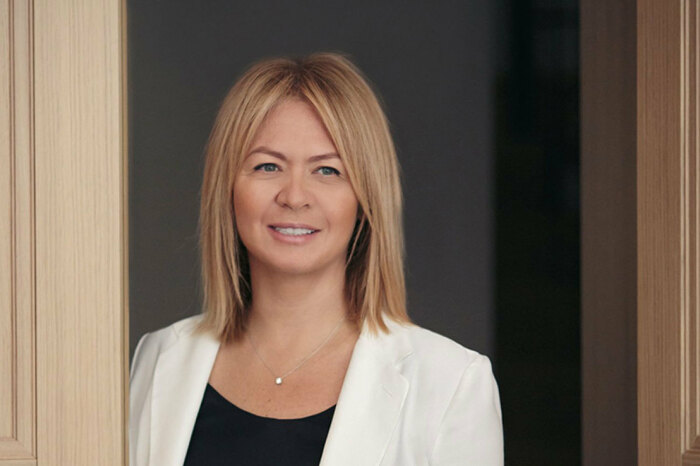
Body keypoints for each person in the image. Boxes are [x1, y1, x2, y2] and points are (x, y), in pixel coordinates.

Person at [129, 52, 504, 466]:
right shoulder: (157, 358)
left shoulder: (453, 384)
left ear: (364, 201)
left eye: (327, 171)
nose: (294, 196)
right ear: (228, 189)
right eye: (267, 166)